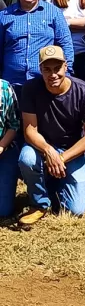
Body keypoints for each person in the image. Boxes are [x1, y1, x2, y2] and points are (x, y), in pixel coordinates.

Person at [17, 46, 85, 227]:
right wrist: (49, 151)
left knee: (75, 210)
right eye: (47, 69)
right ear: (40, 69)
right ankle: (39, 203)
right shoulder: (30, 88)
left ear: (65, 67)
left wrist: (61, 157)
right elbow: (30, 130)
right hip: (41, 148)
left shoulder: (83, 91)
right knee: (27, 158)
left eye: (57, 68)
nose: (52, 74)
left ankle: (53, 184)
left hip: (73, 151)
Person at [0, 0, 73, 98]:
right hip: (11, 86)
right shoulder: (4, 16)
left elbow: (65, 45)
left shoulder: (54, 13)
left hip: (44, 84)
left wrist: (66, 75)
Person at [0, 79, 21, 218]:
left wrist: (1, 146)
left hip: (4, 149)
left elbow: (14, 124)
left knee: (3, 211)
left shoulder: (5, 88)